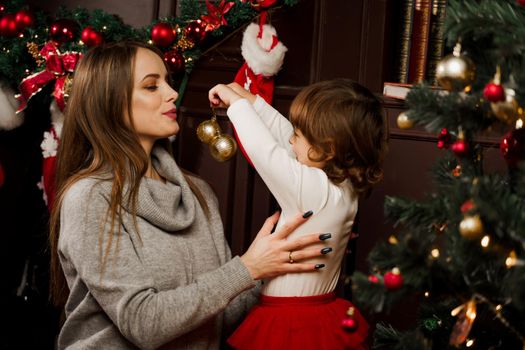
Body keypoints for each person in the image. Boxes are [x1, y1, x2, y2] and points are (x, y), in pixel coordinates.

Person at [48, 41, 331, 350]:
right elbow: (143, 323)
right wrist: (248, 268)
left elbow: (223, 317)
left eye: (167, 82)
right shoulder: (90, 198)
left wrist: (281, 256)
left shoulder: (197, 193)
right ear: (110, 103)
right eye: (151, 86)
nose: (172, 93)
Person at [208, 78, 388, 349]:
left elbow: (265, 151)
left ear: (327, 148)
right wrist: (248, 98)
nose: (291, 139)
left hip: (292, 322)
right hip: (319, 313)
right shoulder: (343, 184)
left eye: (299, 134)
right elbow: (283, 134)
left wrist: (237, 106)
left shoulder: (313, 190)